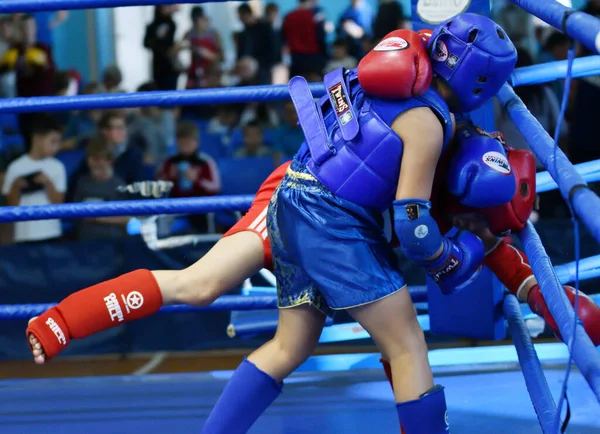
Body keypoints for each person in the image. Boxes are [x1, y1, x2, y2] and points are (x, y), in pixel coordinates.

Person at [201, 15, 519, 434]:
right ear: (484, 82)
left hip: (292, 194)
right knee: (406, 345)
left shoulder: (395, 70)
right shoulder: (427, 123)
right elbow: (412, 223)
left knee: (289, 345)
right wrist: (449, 259)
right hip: (331, 221)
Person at [2, 114, 65, 243]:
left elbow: (59, 205)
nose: (56, 147)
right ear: (37, 138)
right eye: (53, 141)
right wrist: (16, 186)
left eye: (58, 142)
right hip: (23, 235)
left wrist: (48, 183)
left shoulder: (58, 167)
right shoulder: (16, 167)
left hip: (51, 232)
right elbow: (10, 207)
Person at [72, 135, 129, 241]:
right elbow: (74, 212)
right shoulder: (82, 182)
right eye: (91, 158)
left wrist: (98, 217)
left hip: (111, 242)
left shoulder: (119, 185)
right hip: (85, 242)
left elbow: (126, 219)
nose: (94, 162)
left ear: (109, 160)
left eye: (98, 158)